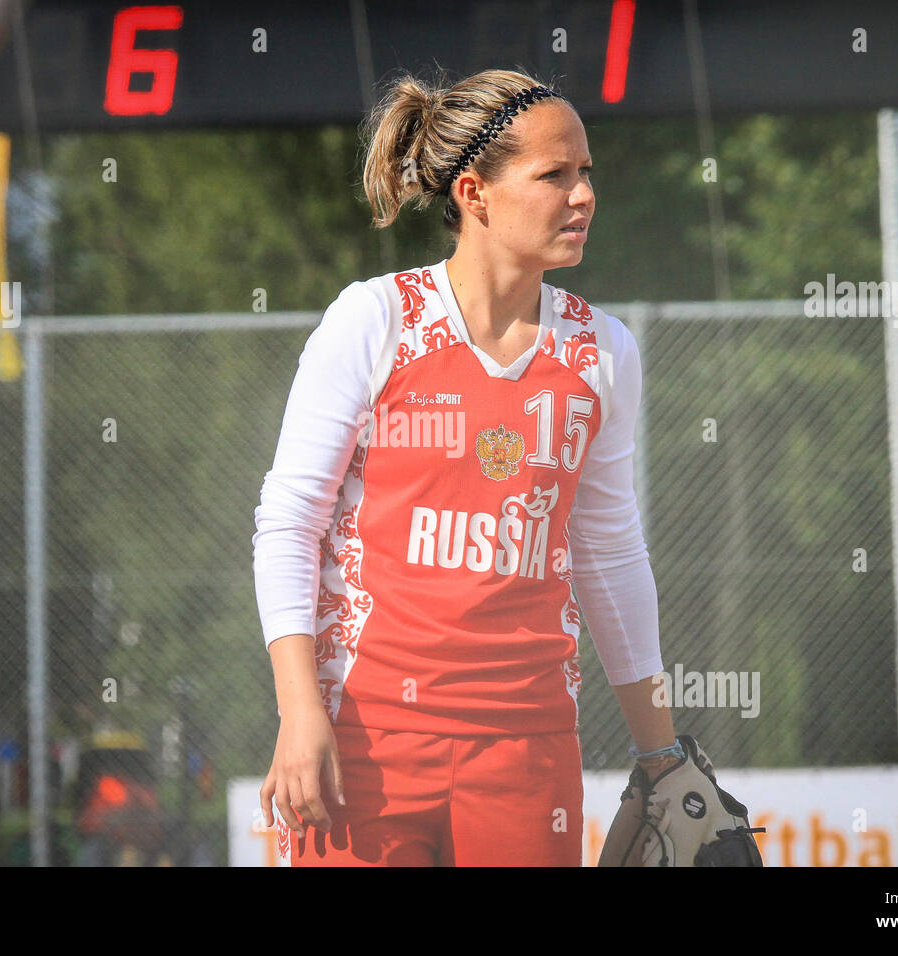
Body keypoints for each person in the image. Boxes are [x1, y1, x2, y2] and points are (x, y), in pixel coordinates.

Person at [252, 68, 683, 867]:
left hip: (527, 750)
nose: (583, 195)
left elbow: (611, 555)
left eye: (586, 172)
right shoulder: (374, 320)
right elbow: (289, 523)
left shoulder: (602, 353)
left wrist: (664, 756)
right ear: (475, 192)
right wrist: (298, 713)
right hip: (367, 741)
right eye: (554, 175)